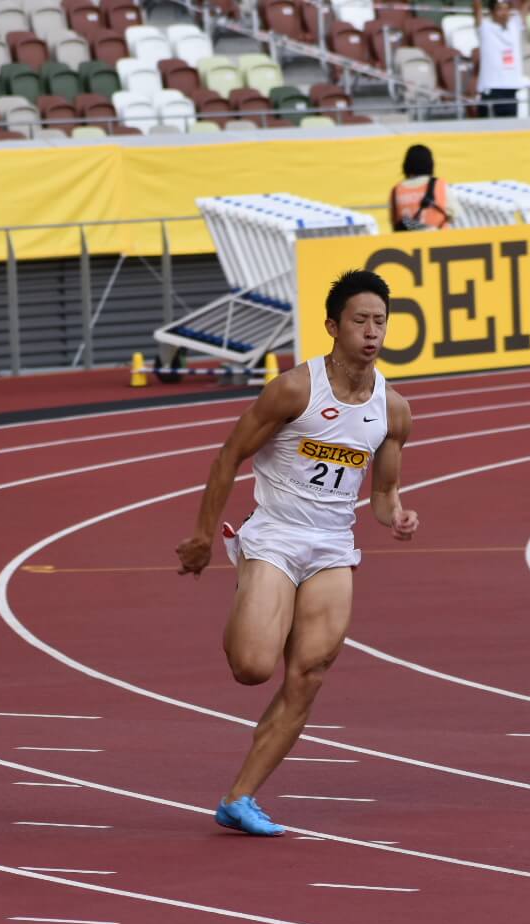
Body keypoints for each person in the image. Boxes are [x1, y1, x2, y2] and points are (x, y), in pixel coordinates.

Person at [175, 270, 419, 836]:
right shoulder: (294, 390)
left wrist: (397, 516)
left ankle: (240, 797)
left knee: (309, 673)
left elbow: (382, 495)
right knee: (253, 668)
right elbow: (227, 457)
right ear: (333, 326)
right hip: (277, 536)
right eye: (359, 320)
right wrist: (203, 537)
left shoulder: (394, 410)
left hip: (333, 546)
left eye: (380, 321)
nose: (371, 332)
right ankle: (256, 599)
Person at [473, 0, 530, 118]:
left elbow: (527, 4)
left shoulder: (515, 26)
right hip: (491, 89)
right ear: (492, 12)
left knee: (509, 131)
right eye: (500, 9)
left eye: (507, 9)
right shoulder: (485, 28)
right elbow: (477, 7)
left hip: (511, 89)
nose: (504, 13)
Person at [390, 143, 457, 231]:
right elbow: (454, 214)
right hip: (439, 241)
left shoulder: (396, 190)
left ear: (406, 165)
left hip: (408, 243)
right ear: (430, 164)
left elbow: (395, 222)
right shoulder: (439, 185)